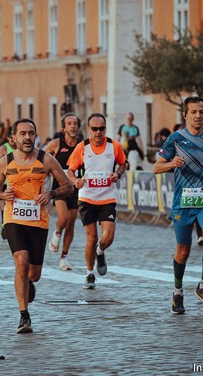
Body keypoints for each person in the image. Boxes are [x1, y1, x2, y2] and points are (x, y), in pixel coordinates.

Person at [0, 118, 72, 334]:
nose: (27, 137)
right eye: (23, 133)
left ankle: (28, 282)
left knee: (33, 274)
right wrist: (2, 194)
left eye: (31, 133)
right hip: (13, 219)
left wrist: (51, 193)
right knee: (21, 260)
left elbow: (68, 187)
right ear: (14, 138)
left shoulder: (46, 160)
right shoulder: (5, 162)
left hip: (38, 221)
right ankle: (24, 316)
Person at [153, 96, 203, 314]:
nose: (198, 116)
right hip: (183, 201)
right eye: (193, 112)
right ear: (185, 114)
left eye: (201, 112)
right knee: (183, 251)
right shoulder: (175, 139)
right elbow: (156, 167)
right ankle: (177, 292)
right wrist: (171, 164)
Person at [66, 113, 127, 289]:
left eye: (101, 129)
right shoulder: (82, 148)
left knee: (108, 237)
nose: (98, 132)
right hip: (87, 198)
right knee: (91, 238)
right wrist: (75, 181)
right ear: (88, 129)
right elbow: (71, 171)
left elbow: (123, 163)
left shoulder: (114, 146)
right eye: (94, 129)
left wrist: (118, 173)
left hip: (107, 197)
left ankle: (100, 252)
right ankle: (89, 273)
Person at [43, 113, 83, 270]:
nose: (72, 126)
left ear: (78, 127)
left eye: (75, 123)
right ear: (63, 127)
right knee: (64, 218)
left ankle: (64, 258)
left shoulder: (82, 145)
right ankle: (57, 232)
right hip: (59, 188)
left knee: (71, 224)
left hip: (75, 188)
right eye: (69, 123)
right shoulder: (55, 144)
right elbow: (41, 159)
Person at [0, 130, 16, 240]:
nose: (13, 140)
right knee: (6, 201)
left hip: (16, 179)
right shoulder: (4, 148)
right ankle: (4, 223)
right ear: (8, 138)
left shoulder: (20, 147)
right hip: (5, 180)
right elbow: (1, 161)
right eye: (11, 138)